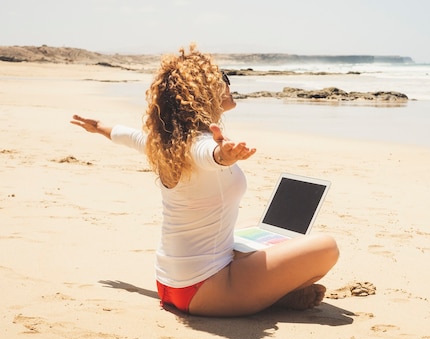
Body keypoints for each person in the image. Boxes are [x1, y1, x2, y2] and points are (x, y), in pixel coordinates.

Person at [71, 44, 339, 317]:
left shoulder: (168, 144)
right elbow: (206, 155)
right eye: (221, 79)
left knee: (255, 230)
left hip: (169, 285)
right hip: (207, 289)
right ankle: (276, 295)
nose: (228, 83)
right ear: (202, 93)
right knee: (327, 246)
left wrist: (99, 127)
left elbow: (126, 135)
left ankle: (274, 292)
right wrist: (222, 155)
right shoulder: (198, 146)